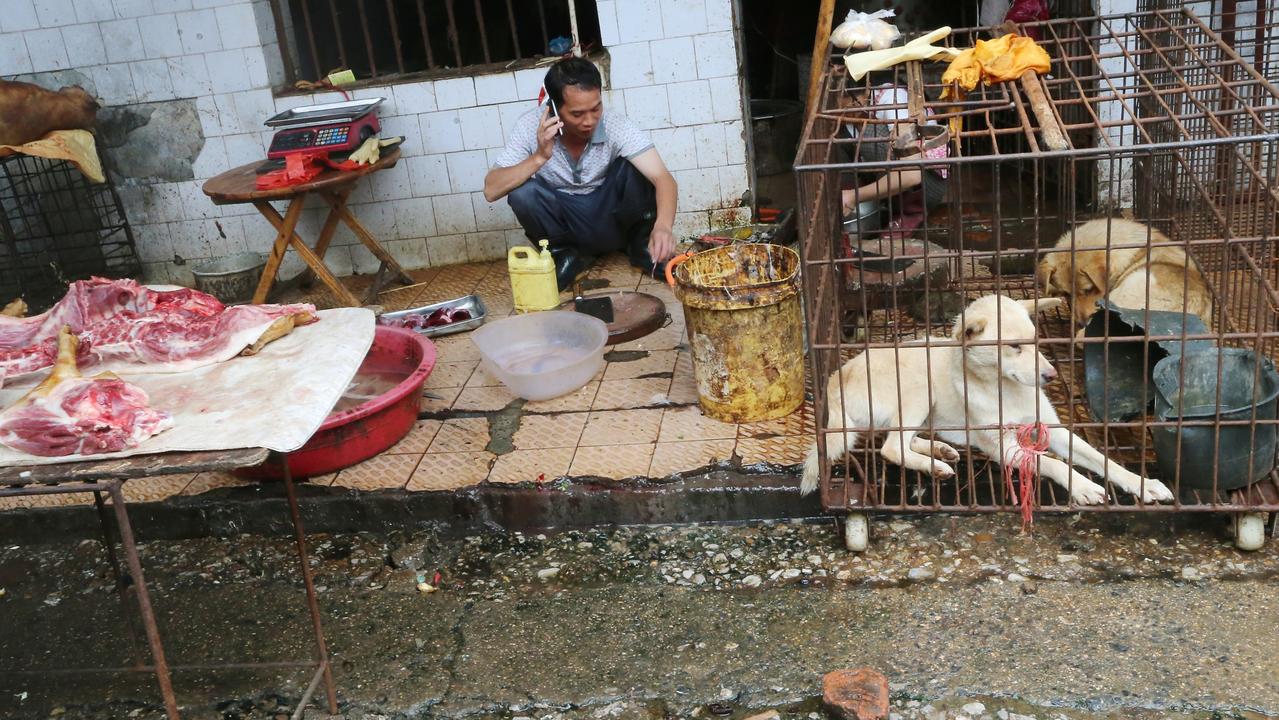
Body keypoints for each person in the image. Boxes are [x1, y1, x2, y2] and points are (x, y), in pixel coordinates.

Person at [483, 58, 679, 290]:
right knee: (522, 192)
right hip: (568, 228)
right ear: (553, 108)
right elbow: (491, 189)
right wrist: (538, 157)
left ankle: (641, 247)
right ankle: (566, 258)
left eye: (596, 108)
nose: (589, 121)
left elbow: (663, 178)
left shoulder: (615, 125)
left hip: (611, 221)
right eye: (577, 114)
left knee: (634, 168)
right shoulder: (528, 127)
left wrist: (663, 226)